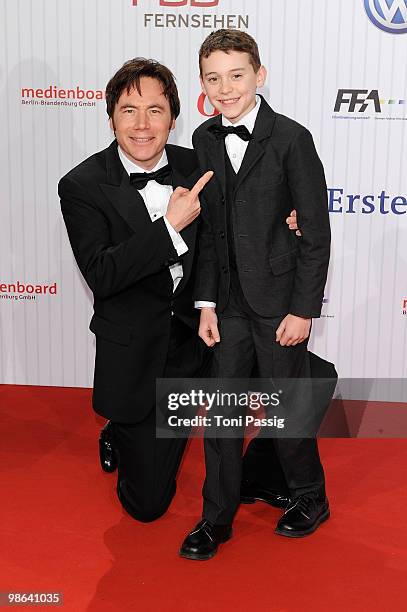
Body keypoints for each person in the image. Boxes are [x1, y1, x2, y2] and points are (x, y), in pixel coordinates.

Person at [180, 29, 332, 560]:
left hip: (279, 305)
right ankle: (214, 519)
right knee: (220, 416)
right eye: (213, 78)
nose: (226, 88)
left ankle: (311, 497)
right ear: (202, 83)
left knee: (287, 410)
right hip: (225, 305)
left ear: (259, 76)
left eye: (236, 75)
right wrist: (204, 303)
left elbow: (315, 233)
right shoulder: (201, 139)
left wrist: (302, 310)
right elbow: (207, 234)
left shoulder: (292, 138)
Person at [58, 58, 214, 522]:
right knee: (147, 506)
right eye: (129, 110)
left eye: (155, 110)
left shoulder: (197, 165)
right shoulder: (82, 185)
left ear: (173, 116)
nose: (142, 125)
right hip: (134, 353)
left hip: (198, 340)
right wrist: (168, 227)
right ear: (111, 117)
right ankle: (120, 430)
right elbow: (103, 274)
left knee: (298, 387)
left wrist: (288, 223)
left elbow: (239, 221)